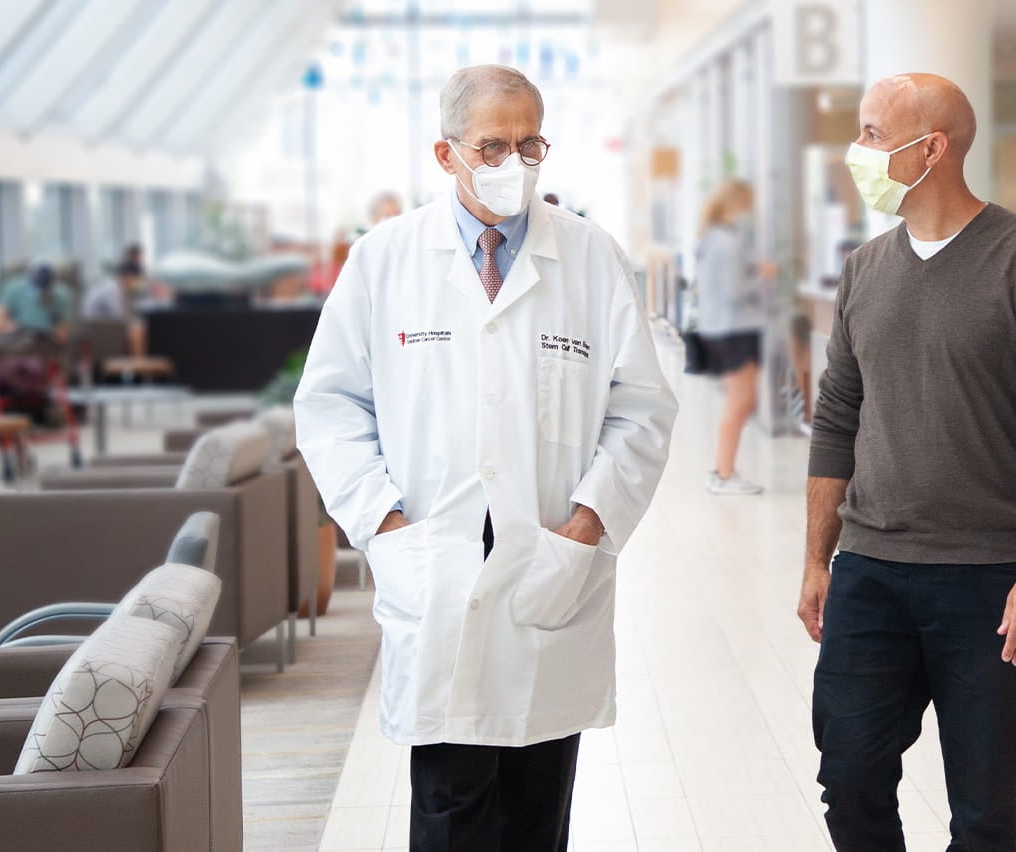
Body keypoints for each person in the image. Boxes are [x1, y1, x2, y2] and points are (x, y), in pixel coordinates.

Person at [295, 65, 678, 851]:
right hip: (435, 572)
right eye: (493, 146)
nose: (516, 163)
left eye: (531, 143)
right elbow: (329, 406)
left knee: (539, 814)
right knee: (448, 811)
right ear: (446, 155)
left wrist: (584, 528)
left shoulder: (591, 257)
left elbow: (642, 409)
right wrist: (387, 523)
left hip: (551, 566)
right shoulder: (385, 260)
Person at [799, 73, 1016, 852]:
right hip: (870, 568)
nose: (855, 151)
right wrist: (815, 558)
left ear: (929, 149)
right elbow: (836, 418)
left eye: (869, 133)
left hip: (990, 579)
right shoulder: (864, 269)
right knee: (849, 779)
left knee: (984, 809)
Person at [694, 179, 774, 495]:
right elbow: (733, 291)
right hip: (735, 328)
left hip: (720, 328)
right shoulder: (727, 242)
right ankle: (723, 473)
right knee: (741, 402)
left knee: (739, 401)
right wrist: (761, 275)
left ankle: (723, 470)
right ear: (737, 204)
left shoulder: (711, 238)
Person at [0, 263, 71, 342]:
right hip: (17, 341)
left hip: (45, 344)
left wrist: (50, 333)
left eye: (44, 292)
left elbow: (64, 336)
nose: (41, 295)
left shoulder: (62, 297)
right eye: (39, 291)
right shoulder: (14, 290)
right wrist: (17, 329)